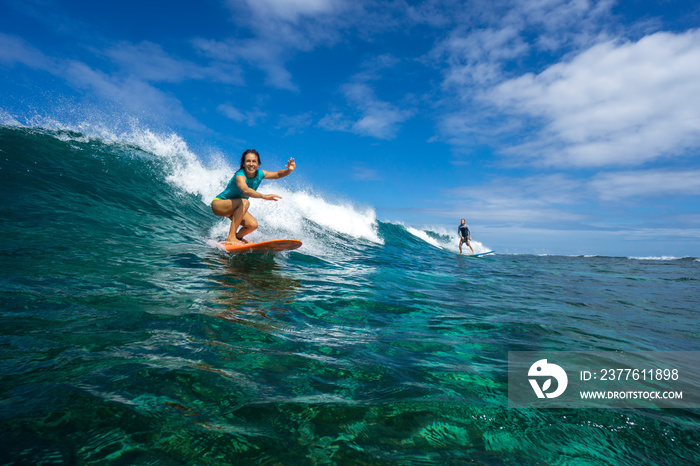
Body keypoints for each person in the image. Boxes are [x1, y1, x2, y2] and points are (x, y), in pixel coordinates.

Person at [211, 149, 295, 244]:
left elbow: (277, 174)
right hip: (219, 204)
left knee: (252, 225)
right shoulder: (240, 175)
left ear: (258, 164)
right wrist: (263, 196)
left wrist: (289, 170)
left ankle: (238, 237)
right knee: (245, 202)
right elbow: (245, 190)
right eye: (248, 161)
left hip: (234, 207)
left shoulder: (260, 174)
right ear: (243, 164)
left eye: (254, 161)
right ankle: (231, 237)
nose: (251, 164)